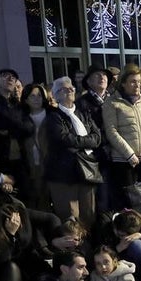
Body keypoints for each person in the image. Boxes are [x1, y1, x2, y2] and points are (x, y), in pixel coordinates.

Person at [44, 76, 104, 228]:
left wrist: (79, 142)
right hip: (64, 174)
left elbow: (97, 138)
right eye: (64, 89)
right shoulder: (54, 116)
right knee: (70, 217)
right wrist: (85, 141)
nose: (69, 91)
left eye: (71, 88)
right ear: (56, 95)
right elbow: (64, 139)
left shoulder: (83, 113)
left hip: (87, 170)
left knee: (88, 214)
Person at [103, 64, 141, 208]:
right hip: (124, 162)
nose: (137, 85)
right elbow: (111, 131)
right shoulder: (112, 102)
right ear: (123, 83)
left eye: (139, 81)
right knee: (128, 204)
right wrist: (129, 155)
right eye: (133, 81)